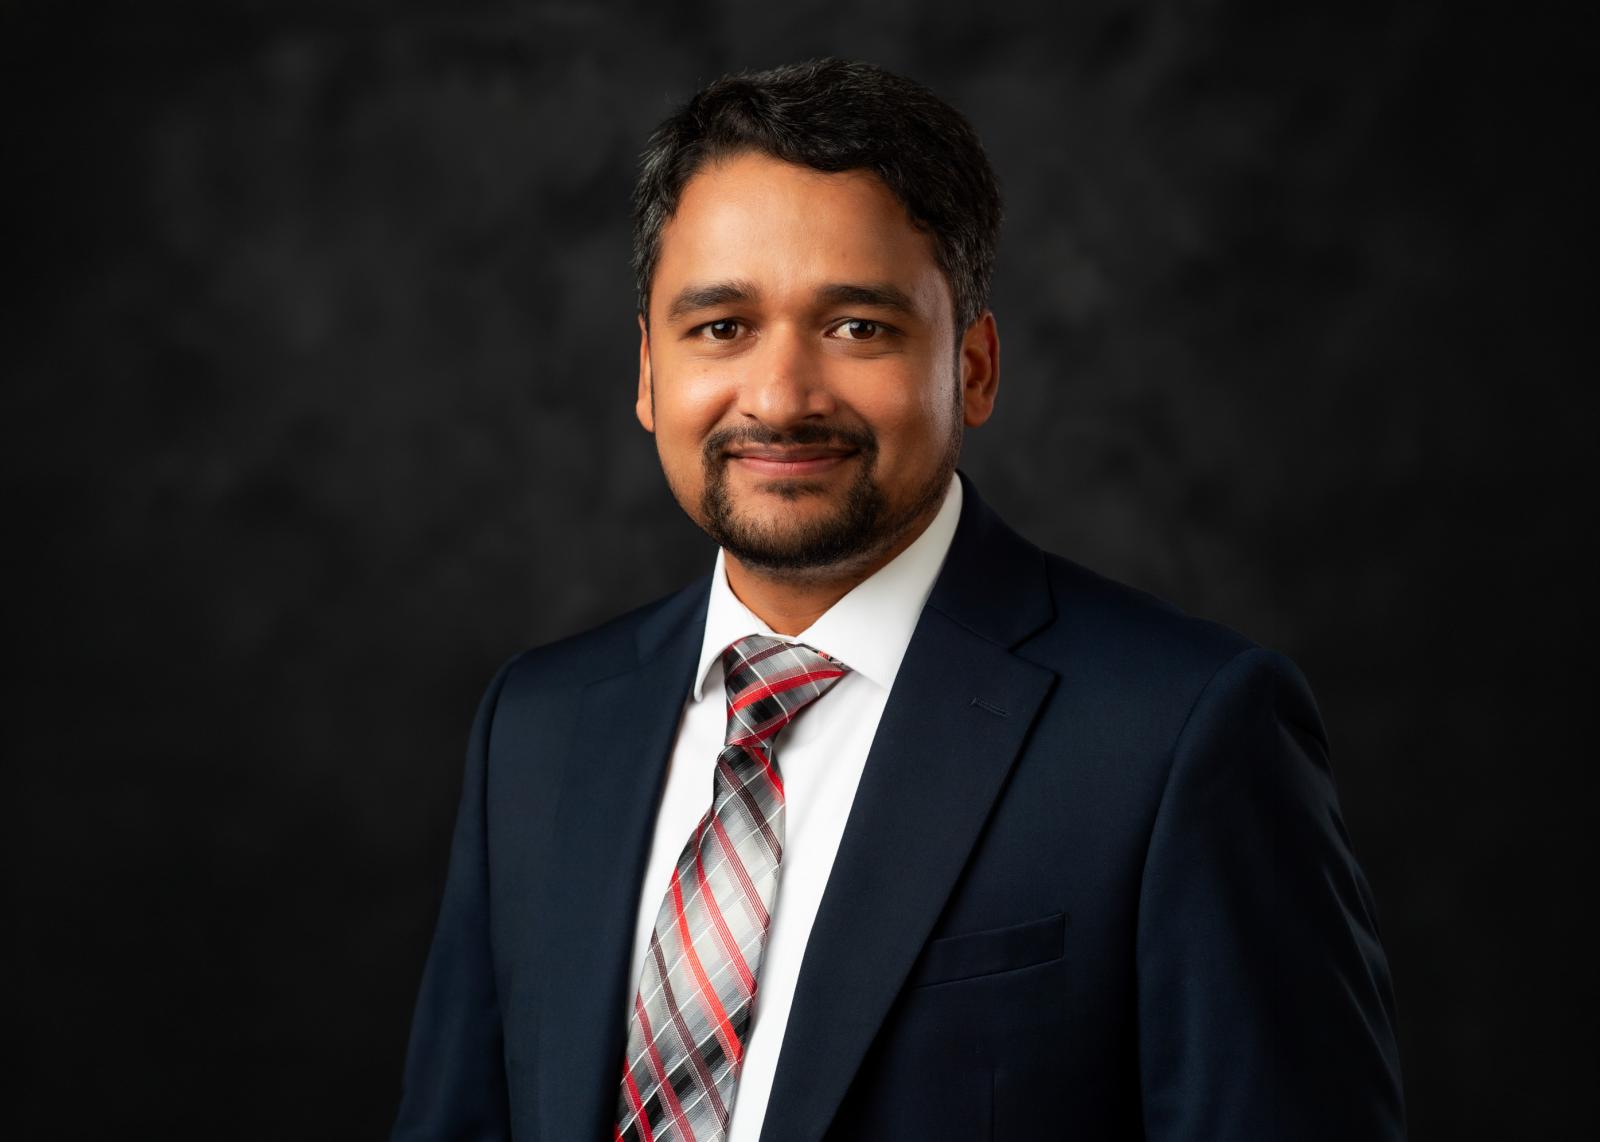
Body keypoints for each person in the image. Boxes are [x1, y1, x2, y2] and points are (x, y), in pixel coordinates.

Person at [391, 58, 1405, 1142]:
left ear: (972, 365)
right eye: (721, 326)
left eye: (857, 326)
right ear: (647, 371)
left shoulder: (1181, 734)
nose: (780, 397)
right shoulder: (536, 729)